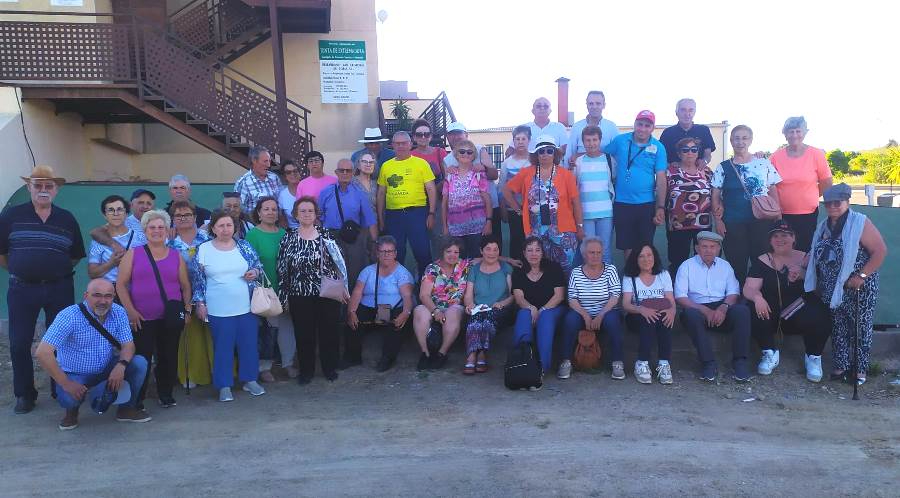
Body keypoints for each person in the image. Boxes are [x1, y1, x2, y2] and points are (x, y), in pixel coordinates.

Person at [0, 165, 85, 414]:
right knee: (19, 342)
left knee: (62, 341)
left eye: (49, 186)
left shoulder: (67, 218)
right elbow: (2, 254)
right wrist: (23, 269)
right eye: (38, 185)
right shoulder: (11, 216)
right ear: (29, 188)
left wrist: (52, 271)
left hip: (59, 287)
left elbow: (75, 256)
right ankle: (25, 394)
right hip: (22, 289)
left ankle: (59, 388)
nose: (43, 190)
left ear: (56, 190)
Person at [35, 279, 151, 429]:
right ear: (86, 295)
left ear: (114, 297)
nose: (103, 301)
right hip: (75, 373)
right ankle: (72, 412)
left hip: (105, 368)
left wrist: (121, 366)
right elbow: (43, 353)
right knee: (69, 398)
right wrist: (67, 383)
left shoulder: (119, 311)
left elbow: (128, 345)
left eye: (108, 296)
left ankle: (126, 409)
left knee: (139, 363)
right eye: (97, 295)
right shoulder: (69, 315)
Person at [805, 184, 886, 385]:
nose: (833, 207)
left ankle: (859, 370)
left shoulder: (860, 222)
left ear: (846, 202)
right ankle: (841, 366)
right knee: (838, 327)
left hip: (860, 286)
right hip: (834, 289)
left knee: (860, 327)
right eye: (828, 203)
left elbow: (880, 251)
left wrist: (861, 276)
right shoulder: (824, 225)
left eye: (837, 203)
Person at [115, 210, 192, 409]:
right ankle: (137, 397)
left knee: (168, 357)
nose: (157, 231)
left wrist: (188, 310)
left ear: (167, 231)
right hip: (141, 318)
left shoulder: (176, 256)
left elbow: (185, 286)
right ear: (145, 230)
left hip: (170, 317)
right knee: (142, 358)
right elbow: (121, 285)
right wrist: (130, 311)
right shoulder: (133, 254)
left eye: (161, 227)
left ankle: (165, 394)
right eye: (152, 227)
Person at [743, 220, 832, 381]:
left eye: (785, 235)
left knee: (821, 312)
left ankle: (813, 357)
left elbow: (821, 289)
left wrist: (804, 275)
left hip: (797, 312)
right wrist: (757, 297)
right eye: (775, 236)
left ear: (793, 238)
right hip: (770, 312)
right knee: (750, 307)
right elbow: (749, 288)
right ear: (770, 240)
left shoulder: (806, 258)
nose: (780, 239)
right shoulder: (762, 260)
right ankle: (769, 353)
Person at [193, 209, 267, 402]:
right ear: (213, 228)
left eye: (229, 225)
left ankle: (250, 379)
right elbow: (198, 281)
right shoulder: (204, 249)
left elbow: (258, 266)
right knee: (223, 347)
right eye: (221, 225)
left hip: (246, 306)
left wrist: (254, 272)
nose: (225, 229)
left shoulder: (244, 246)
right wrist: (200, 303)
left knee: (249, 345)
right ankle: (224, 385)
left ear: (234, 227)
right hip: (218, 308)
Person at [277, 196, 349, 384]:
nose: (307, 214)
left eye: (310, 211)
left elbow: (339, 264)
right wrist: (283, 296)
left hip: (326, 293)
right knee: (303, 335)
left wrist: (344, 288)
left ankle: (329, 369)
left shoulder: (327, 235)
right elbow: (282, 268)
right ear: (295, 214)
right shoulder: (289, 237)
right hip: (298, 294)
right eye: (303, 211)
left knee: (329, 333)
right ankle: (306, 372)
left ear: (316, 214)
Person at [674, 231, 752, 382]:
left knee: (742, 311)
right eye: (704, 246)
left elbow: (733, 293)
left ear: (718, 249)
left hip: (721, 307)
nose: (708, 250)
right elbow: (680, 297)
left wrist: (723, 307)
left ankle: (740, 362)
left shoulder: (725, 266)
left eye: (712, 247)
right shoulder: (687, 266)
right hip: (696, 308)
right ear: (697, 248)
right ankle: (708, 363)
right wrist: (705, 310)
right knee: (690, 314)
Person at [502, 135, 584, 273]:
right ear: (536, 154)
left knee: (566, 268)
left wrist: (580, 226)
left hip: (563, 230)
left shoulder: (566, 175)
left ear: (555, 153)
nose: (545, 154)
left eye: (549, 150)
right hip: (536, 230)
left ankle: (565, 295)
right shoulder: (527, 173)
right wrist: (518, 209)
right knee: (539, 268)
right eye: (541, 151)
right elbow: (506, 190)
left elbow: (576, 202)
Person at [711, 125, 782, 283]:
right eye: (736, 138)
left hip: (762, 222)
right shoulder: (723, 167)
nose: (740, 142)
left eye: (744, 138)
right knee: (737, 264)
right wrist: (718, 221)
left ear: (750, 140)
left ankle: (760, 299)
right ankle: (739, 300)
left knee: (762, 262)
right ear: (731, 141)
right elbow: (715, 195)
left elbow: (773, 189)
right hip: (733, 222)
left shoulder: (764, 164)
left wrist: (778, 214)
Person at [343, 235, 415, 372]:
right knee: (353, 319)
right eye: (383, 251)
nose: (386, 255)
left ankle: (387, 358)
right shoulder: (368, 271)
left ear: (395, 253)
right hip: (370, 307)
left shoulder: (402, 273)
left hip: (389, 309)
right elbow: (357, 292)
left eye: (390, 251)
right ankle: (352, 357)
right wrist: (351, 312)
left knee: (395, 325)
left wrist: (406, 313)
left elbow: (407, 296)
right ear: (377, 254)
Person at [604, 110, 667, 260]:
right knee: (627, 246)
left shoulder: (658, 147)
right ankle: (630, 277)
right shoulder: (620, 141)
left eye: (647, 125)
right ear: (634, 124)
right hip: (622, 203)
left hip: (646, 204)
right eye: (640, 124)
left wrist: (660, 207)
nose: (643, 128)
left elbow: (661, 178)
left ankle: (642, 280)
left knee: (645, 246)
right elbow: (601, 155)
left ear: (652, 128)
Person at [245, 196, 297, 381]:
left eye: (274, 209)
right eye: (266, 209)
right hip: (264, 290)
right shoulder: (252, 235)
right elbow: (249, 264)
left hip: (285, 289)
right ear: (258, 213)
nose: (270, 212)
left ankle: (288, 363)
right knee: (268, 330)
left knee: (286, 328)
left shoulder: (284, 234)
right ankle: (264, 367)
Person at [166, 201, 215, 387]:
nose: (183, 218)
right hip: (180, 294)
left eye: (187, 215)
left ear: (195, 218)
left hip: (208, 292)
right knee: (189, 336)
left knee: (211, 334)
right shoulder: (168, 241)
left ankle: (215, 370)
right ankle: (191, 374)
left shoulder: (207, 238)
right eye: (178, 215)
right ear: (173, 219)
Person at [561, 237, 624, 380]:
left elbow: (615, 296)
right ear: (584, 254)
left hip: (606, 312)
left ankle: (617, 362)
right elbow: (572, 299)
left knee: (613, 321)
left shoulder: (610, 270)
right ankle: (566, 361)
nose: (595, 256)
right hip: (582, 313)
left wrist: (600, 315)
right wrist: (586, 315)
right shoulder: (576, 272)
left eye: (598, 252)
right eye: (591, 252)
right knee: (570, 320)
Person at [769, 116, 833, 252]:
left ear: (805, 132)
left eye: (798, 131)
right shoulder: (775, 157)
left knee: (805, 251)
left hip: (808, 214)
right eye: (790, 131)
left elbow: (826, 182)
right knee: (783, 251)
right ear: (785, 134)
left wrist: (811, 195)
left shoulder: (817, 154)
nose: (794, 135)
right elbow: (768, 185)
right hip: (781, 214)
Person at [377, 131, 437, 277]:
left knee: (422, 252)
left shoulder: (421, 164)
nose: (401, 146)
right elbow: (381, 193)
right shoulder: (386, 166)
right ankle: (398, 289)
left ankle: (426, 289)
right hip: (394, 215)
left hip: (417, 213)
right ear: (392, 145)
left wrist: (431, 213)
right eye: (397, 143)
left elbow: (431, 188)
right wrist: (380, 217)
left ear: (410, 144)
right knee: (396, 254)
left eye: (404, 143)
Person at [621, 243, 676, 384]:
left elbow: (670, 300)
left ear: (654, 257)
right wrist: (642, 309)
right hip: (636, 316)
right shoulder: (630, 277)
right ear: (636, 259)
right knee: (648, 318)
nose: (646, 259)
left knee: (664, 317)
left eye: (649, 255)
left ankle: (664, 364)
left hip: (659, 314)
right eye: (642, 256)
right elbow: (626, 304)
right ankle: (642, 362)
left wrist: (672, 311)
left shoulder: (663, 275)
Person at [511, 237, 566, 376]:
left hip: (554, 309)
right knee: (523, 314)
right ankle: (522, 361)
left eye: (537, 250)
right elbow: (519, 298)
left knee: (546, 317)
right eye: (529, 250)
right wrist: (532, 308)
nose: (533, 254)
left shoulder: (554, 268)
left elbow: (559, 296)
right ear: (524, 253)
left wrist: (541, 310)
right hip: (530, 309)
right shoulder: (518, 271)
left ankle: (543, 366)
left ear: (542, 252)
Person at [412, 237, 470, 371]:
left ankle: (441, 354)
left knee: (453, 311)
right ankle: (425, 353)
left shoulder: (465, 266)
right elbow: (424, 295)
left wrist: (510, 260)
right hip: (433, 306)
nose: (452, 255)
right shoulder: (432, 269)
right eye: (448, 251)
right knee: (419, 310)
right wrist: (436, 310)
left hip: (455, 307)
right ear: (442, 252)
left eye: (456, 252)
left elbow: (488, 257)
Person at [319, 158, 378, 287]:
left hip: (354, 239)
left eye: (348, 170)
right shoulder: (325, 193)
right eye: (342, 170)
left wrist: (374, 244)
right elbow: (318, 217)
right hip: (332, 238)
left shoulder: (360, 194)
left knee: (355, 274)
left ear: (353, 172)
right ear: (336, 172)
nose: (345, 173)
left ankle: (353, 305)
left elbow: (369, 220)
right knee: (333, 274)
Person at [444, 122, 501, 255]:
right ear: (448, 137)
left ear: (466, 134)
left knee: (493, 247)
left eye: (459, 133)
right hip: (461, 218)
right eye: (452, 134)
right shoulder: (447, 160)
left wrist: (484, 168)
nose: (456, 137)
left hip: (489, 209)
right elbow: (447, 192)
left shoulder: (479, 149)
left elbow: (494, 174)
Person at [462, 236, 514, 375]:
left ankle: (481, 354)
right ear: (481, 251)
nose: (492, 253)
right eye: (488, 249)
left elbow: (513, 295)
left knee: (487, 320)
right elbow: (468, 294)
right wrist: (469, 305)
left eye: (495, 249)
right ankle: (473, 354)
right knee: (476, 318)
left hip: (500, 309)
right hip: (479, 308)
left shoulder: (505, 268)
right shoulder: (474, 269)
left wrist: (501, 303)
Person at [665, 136, 713, 275]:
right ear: (679, 154)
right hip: (678, 224)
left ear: (698, 152)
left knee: (704, 259)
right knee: (678, 260)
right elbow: (664, 194)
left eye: (694, 149)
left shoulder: (707, 172)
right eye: (685, 150)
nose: (690, 152)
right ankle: (678, 291)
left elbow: (715, 194)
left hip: (703, 223)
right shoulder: (670, 172)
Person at [574, 125, 614, 264]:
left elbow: (613, 181)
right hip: (585, 215)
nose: (591, 143)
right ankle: (589, 285)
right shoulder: (578, 162)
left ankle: (608, 284)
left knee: (605, 250)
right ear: (583, 142)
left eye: (594, 140)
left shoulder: (609, 160)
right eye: (588, 140)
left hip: (606, 213)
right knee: (587, 252)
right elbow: (574, 188)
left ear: (600, 140)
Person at [88, 195, 144, 283]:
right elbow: (92, 273)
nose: (115, 213)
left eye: (120, 209)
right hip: (107, 293)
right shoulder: (97, 241)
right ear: (104, 215)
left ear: (126, 214)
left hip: (133, 289)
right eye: (110, 210)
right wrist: (111, 263)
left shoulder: (141, 238)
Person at [500, 125, 532, 259]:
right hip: (514, 210)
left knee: (532, 243)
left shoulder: (535, 160)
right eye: (517, 139)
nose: (520, 141)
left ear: (529, 140)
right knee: (517, 241)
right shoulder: (507, 163)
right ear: (513, 141)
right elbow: (502, 187)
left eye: (523, 138)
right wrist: (503, 209)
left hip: (533, 210)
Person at [565, 90, 619, 167]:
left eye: (598, 103)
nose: (594, 107)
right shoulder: (576, 127)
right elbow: (569, 155)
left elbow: (616, 154)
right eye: (591, 103)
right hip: (581, 174)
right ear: (586, 105)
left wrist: (579, 155)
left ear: (604, 105)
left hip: (605, 174)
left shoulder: (611, 127)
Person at [658, 98, 716, 166]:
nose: (687, 114)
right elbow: (660, 157)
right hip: (673, 174)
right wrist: (671, 166)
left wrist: (704, 161)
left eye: (691, 110)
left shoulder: (704, 130)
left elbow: (708, 154)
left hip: (698, 173)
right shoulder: (667, 133)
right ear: (676, 112)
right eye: (683, 110)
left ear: (694, 112)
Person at [233, 145, 281, 214]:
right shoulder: (243, 182)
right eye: (265, 161)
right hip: (255, 223)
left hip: (275, 222)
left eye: (269, 161)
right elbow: (239, 209)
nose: (268, 165)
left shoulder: (274, 178)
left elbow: (281, 202)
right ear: (254, 161)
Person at [410, 118, 448, 192]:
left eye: (426, 134)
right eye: (419, 135)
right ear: (414, 137)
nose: (423, 137)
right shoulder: (410, 155)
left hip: (438, 196)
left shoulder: (440, 152)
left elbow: (447, 177)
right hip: (418, 196)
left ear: (431, 136)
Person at [278, 160, 305, 229]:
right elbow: (282, 219)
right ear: (284, 176)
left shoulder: (308, 188)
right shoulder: (282, 195)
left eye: (295, 171)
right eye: (288, 172)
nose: (292, 174)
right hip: (293, 232)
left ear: (299, 173)